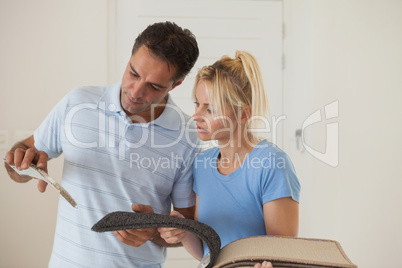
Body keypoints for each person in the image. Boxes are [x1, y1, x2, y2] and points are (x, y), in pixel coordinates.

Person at [4, 21, 199, 267]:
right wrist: (21, 163)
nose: (136, 92)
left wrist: (153, 231)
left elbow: (185, 229)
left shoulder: (188, 137)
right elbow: (16, 165)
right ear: (129, 59)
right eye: (133, 73)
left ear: (176, 85)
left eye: (154, 86)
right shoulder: (77, 103)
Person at [158, 51, 301, 268]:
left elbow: (284, 256)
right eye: (197, 103)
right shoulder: (202, 164)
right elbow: (206, 252)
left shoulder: (272, 164)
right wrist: (184, 233)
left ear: (243, 114)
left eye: (210, 109)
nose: (196, 115)